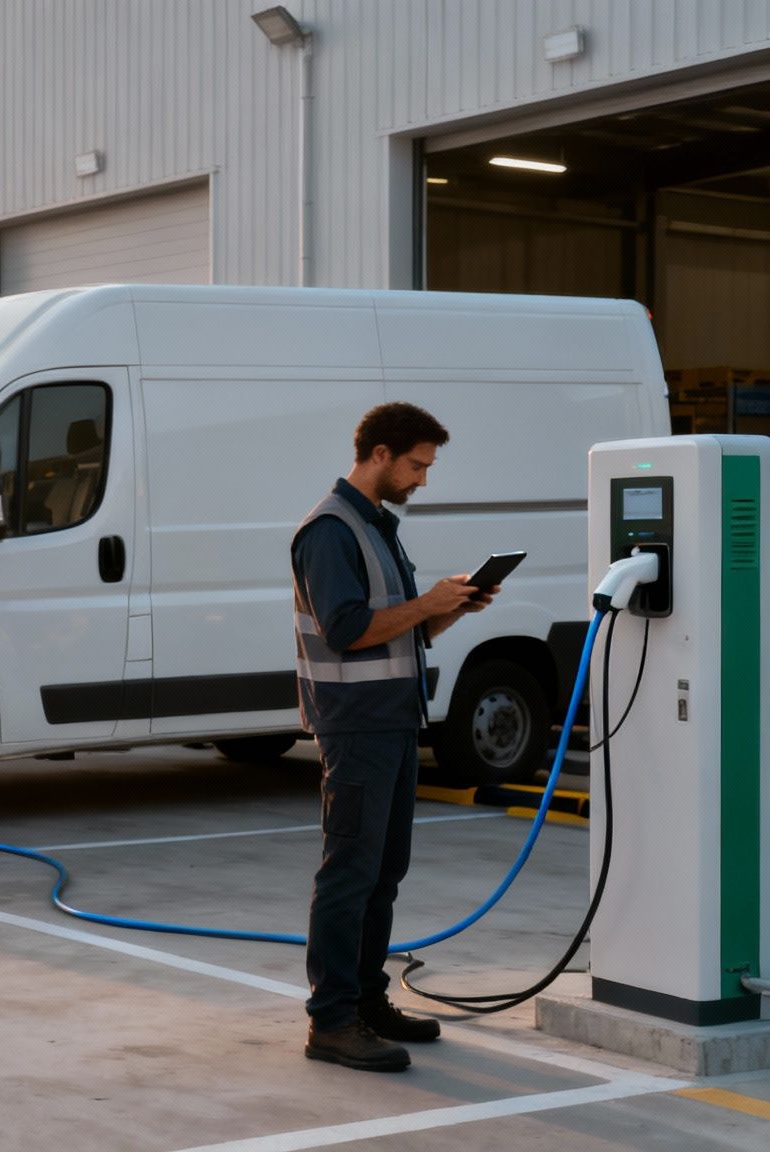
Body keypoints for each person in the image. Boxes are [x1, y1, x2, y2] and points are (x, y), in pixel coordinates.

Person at [291, 402, 497, 1073]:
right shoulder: (329, 530)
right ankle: (331, 1021)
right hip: (355, 726)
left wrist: (448, 612)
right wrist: (427, 603)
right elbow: (347, 629)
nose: (422, 480)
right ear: (379, 454)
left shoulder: (379, 527)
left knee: (383, 873)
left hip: (392, 720)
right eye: (416, 465)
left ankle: (366, 1002)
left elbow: (394, 629)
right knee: (349, 872)